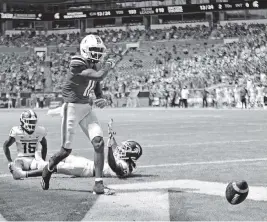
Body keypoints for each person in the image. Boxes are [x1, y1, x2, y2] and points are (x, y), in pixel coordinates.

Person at [41, 34, 116, 195]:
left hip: (86, 108)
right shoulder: (77, 62)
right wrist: (108, 65)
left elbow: (96, 84)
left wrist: (101, 98)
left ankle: (98, 184)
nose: (97, 53)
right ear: (84, 50)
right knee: (65, 151)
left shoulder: (94, 65)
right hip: (72, 108)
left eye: (98, 50)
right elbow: (98, 76)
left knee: (98, 143)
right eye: (94, 50)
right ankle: (49, 168)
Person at [6, 116, 142, 180]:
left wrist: (109, 147)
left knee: (55, 168)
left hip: (88, 170)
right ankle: (37, 163)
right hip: (88, 164)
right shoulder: (128, 162)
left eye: (125, 149)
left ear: (130, 155)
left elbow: (113, 165)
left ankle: (24, 174)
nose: (121, 149)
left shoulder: (124, 167)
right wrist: (111, 135)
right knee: (61, 158)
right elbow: (116, 148)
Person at [3, 110, 48, 179]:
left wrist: (43, 160)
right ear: (22, 121)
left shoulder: (39, 130)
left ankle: (22, 174)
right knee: (15, 164)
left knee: (47, 167)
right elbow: (6, 145)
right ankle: (21, 173)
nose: (32, 123)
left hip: (34, 159)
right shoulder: (17, 131)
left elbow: (44, 145)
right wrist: (10, 161)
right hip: (21, 160)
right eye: (29, 121)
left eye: (33, 121)